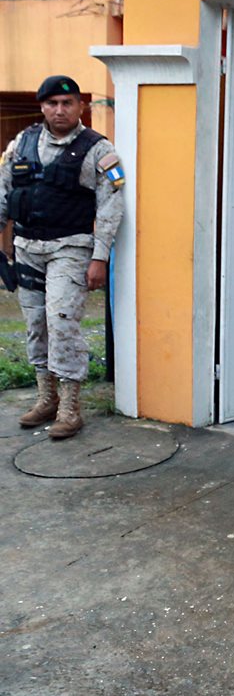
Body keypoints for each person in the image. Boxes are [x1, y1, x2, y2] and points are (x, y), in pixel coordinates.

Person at [0, 75, 125, 439]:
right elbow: (4, 193)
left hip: (70, 249)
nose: (59, 110)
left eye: (67, 103)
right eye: (52, 103)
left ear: (80, 106)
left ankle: (71, 407)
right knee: (36, 323)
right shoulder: (21, 143)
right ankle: (46, 399)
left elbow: (110, 206)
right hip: (27, 248)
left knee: (62, 321)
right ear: (42, 107)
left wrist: (100, 257)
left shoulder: (98, 149)